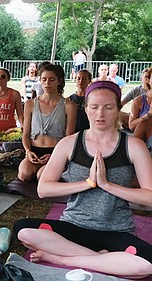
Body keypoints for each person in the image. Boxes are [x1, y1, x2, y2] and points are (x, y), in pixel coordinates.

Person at [14, 81, 152, 279]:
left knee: (146, 264)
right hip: (73, 228)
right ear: (86, 109)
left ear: (119, 109)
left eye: (108, 107)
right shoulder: (69, 143)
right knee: (23, 230)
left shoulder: (133, 146)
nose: (100, 114)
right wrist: (87, 183)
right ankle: (101, 259)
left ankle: (65, 259)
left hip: (116, 231)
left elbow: (149, 197)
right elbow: (43, 189)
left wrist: (107, 185)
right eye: (94, 107)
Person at [18, 64, 76, 182]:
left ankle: (59, 168)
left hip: (56, 151)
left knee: (41, 176)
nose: (47, 83)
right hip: (34, 150)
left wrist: (56, 156)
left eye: (52, 80)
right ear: (40, 80)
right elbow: (26, 134)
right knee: (25, 174)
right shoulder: (30, 104)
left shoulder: (69, 106)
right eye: (44, 79)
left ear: (59, 81)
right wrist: (28, 151)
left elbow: (69, 138)